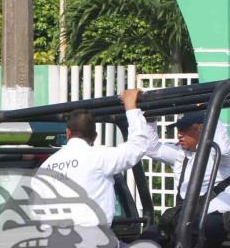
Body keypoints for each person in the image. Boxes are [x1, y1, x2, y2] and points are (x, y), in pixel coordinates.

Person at [39, 88, 149, 224]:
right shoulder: (99, 157)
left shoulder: (46, 166)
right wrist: (131, 107)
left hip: (54, 241)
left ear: (68, 133)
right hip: (93, 240)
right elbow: (138, 146)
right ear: (95, 137)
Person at [142, 111, 230, 248]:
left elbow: (224, 149)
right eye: (179, 129)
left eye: (185, 129)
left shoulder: (220, 156)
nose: (179, 134)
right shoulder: (181, 154)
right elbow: (152, 149)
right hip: (189, 219)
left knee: (188, 230)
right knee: (149, 236)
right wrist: (150, 119)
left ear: (201, 129)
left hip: (223, 219)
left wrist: (210, 112)